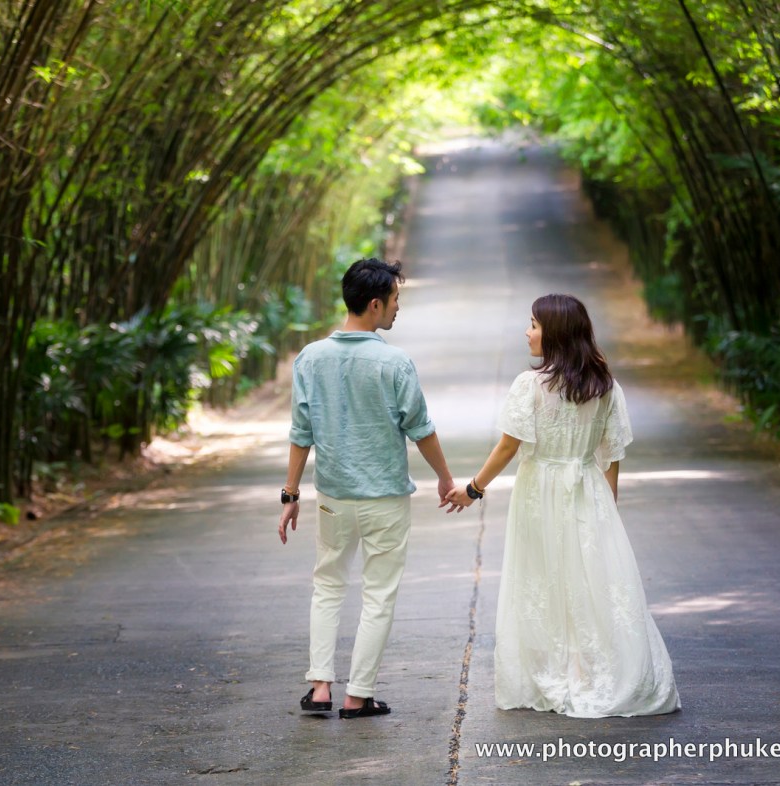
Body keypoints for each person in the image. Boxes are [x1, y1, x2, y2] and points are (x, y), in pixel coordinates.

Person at [442, 293, 680, 718]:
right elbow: (611, 457)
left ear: (555, 333)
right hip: (589, 490)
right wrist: (607, 509)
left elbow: (507, 447)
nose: (527, 333)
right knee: (589, 580)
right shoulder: (605, 387)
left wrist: (473, 489)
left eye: (534, 325)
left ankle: (554, 670)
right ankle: (590, 670)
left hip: (540, 491)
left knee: (544, 578)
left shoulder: (530, 386)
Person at [278, 258, 455, 719]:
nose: (398, 308)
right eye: (395, 299)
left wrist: (291, 494)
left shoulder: (311, 358)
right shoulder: (394, 362)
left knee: (327, 586)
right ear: (375, 304)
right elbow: (420, 428)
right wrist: (444, 477)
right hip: (385, 500)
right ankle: (358, 696)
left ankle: (320, 688)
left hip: (333, 498)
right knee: (378, 595)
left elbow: (301, 432)